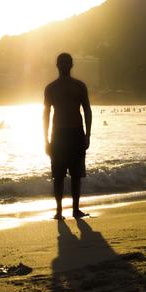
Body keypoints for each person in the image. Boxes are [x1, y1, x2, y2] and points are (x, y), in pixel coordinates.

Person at [43, 53, 92, 220]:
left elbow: (87, 110)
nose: (63, 65)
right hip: (58, 134)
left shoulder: (80, 86)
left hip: (76, 132)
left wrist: (88, 135)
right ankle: (58, 211)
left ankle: (76, 209)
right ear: (57, 65)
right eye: (61, 62)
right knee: (58, 175)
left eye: (66, 62)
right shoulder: (51, 88)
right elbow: (46, 114)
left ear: (71, 65)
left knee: (76, 175)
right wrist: (45, 140)